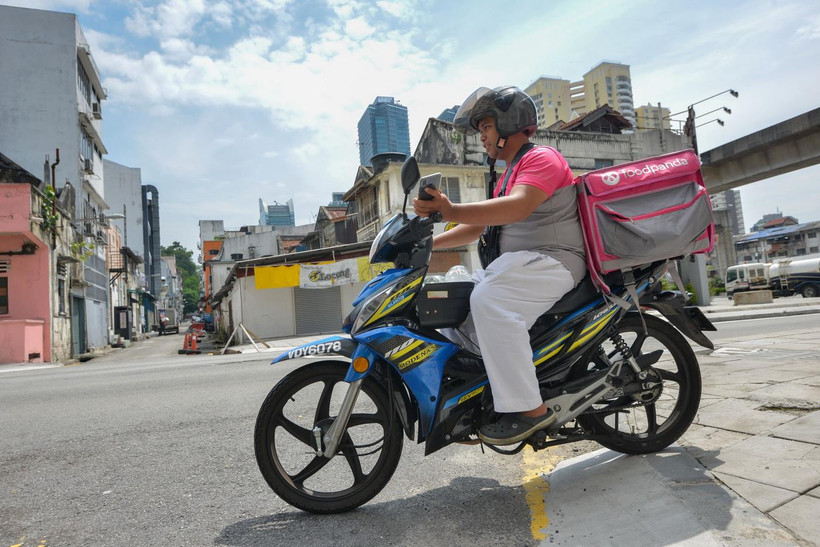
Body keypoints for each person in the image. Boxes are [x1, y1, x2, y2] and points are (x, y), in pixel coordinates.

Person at [413, 86, 587, 445]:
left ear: (510, 125)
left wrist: (450, 209)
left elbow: (519, 207)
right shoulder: (511, 172)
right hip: (523, 264)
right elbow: (481, 224)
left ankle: (530, 410)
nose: (482, 136)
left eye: (487, 126)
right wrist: (428, 245)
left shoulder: (542, 159)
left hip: (554, 260)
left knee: (489, 301)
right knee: (454, 295)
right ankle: (470, 400)